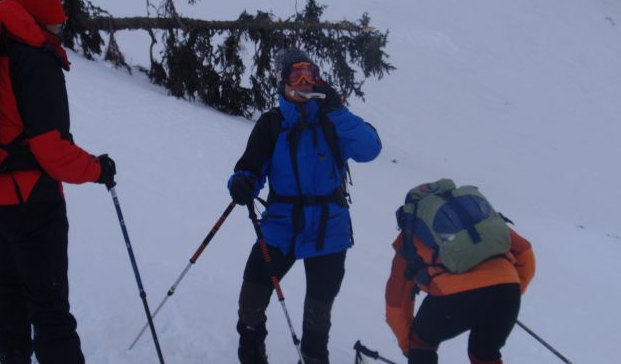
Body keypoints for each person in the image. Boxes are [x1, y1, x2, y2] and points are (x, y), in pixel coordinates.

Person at [0, 0, 116, 364]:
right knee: (49, 309)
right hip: (32, 205)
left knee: (5, 290)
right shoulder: (35, 55)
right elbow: (50, 150)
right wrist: (98, 169)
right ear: (43, 18)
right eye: (58, 20)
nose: (61, 27)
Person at [227, 48, 382, 364]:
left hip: (329, 227)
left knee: (317, 315)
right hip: (281, 224)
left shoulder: (332, 121)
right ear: (281, 80)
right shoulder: (272, 124)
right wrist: (242, 184)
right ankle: (251, 355)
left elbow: (370, 149)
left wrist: (337, 110)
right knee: (251, 298)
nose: (303, 82)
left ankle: (313, 358)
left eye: (309, 74)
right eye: (295, 75)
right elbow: (250, 168)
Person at [385, 184, 536, 364]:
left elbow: (396, 303)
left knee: (421, 343)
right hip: (507, 290)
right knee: (484, 352)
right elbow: (525, 253)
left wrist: (410, 347)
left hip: (453, 299)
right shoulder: (482, 221)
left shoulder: (411, 236)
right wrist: (509, 294)